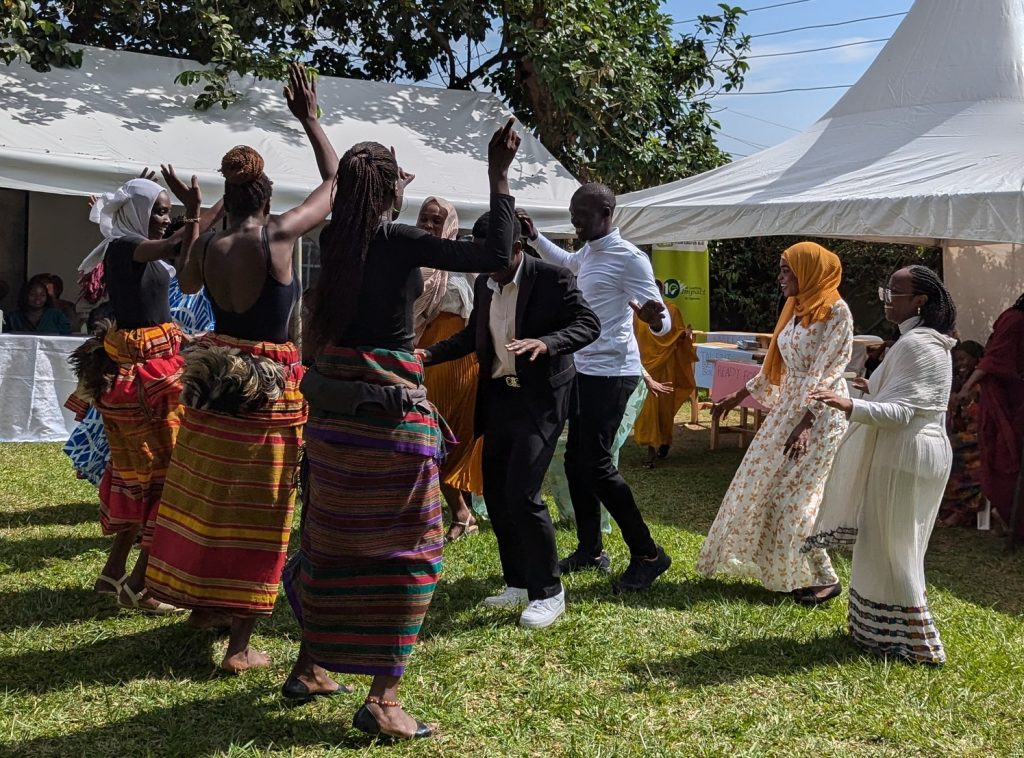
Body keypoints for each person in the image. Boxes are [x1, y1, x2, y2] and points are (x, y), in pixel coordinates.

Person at [282, 119, 521, 741]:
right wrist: (497, 173)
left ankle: (310, 667)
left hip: (336, 419)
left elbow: (339, 187)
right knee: (408, 553)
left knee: (330, 538)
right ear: (390, 192)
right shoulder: (395, 240)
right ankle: (384, 701)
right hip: (390, 420)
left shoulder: (336, 239)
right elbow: (495, 256)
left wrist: (335, 146)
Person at [145, 64, 337, 673]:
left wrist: (195, 211)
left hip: (212, 385)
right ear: (267, 196)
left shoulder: (206, 244)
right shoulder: (276, 238)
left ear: (228, 195)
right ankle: (240, 646)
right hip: (267, 388)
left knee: (208, 495)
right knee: (262, 506)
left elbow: (189, 281)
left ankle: (203, 605)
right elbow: (335, 180)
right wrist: (310, 118)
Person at [423, 212, 600, 628]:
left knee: (522, 493)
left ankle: (549, 592)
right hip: (499, 396)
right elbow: (473, 337)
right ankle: (518, 582)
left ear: (517, 248)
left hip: (542, 400)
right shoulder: (485, 285)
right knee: (498, 493)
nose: (485, 264)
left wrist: (548, 342)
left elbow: (589, 323)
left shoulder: (553, 278)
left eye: (493, 255)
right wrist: (428, 354)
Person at [64, 169, 223, 613]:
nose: (163, 219)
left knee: (142, 478)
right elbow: (177, 242)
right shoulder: (122, 249)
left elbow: (181, 252)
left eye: (167, 212)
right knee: (168, 480)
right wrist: (191, 214)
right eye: (158, 211)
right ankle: (143, 586)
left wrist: (223, 202)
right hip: (145, 382)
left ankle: (113, 574)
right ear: (137, 213)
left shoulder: (143, 256)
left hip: (151, 370)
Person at [518, 188, 673, 593]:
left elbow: (662, 319)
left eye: (581, 215)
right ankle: (591, 549)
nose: (575, 222)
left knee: (596, 463)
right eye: (572, 214)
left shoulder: (629, 258)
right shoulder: (588, 251)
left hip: (612, 372)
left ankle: (648, 554)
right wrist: (535, 238)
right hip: (582, 369)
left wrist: (657, 321)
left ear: (606, 212)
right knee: (575, 462)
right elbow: (569, 262)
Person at [805, 266, 957, 665]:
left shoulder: (918, 344)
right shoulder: (920, 341)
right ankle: (879, 632)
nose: (887, 297)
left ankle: (920, 642)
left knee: (896, 547)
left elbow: (904, 412)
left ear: (921, 299)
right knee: (885, 542)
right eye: (886, 288)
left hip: (906, 452)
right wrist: (871, 390)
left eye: (896, 291)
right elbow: (907, 399)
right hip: (912, 451)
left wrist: (849, 404)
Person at [697, 242, 853, 604]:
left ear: (809, 271)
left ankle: (825, 577)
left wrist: (807, 421)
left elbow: (828, 370)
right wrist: (734, 398)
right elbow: (777, 368)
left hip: (821, 416)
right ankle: (794, 572)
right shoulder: (795, 308)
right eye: (781, 269)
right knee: (761, 489)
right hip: (789, 410)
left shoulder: (836, 312)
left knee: (794, 500)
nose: (781, 278)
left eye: (787, 270)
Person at [64, 215, 217, 488]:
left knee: (158, 441)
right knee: (130, 439)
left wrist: (193, 340)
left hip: (171, 369)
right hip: (144, 368)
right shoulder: (156, 270)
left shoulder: (197, 284)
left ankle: (144, 495)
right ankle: (130, 494)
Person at [412, 196, 485, 542]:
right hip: (426, 357)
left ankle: (465, 511)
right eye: (424, 219)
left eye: (436, 221)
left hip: (465, 360)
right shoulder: (410, 260)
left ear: (451, 225)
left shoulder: (464, 263)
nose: (428, 226)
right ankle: (459, 511)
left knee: (463, 435)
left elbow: (482, 309)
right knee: (432, 436)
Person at [954, 294, 1024, 543]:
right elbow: (993, 360)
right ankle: (1005, 517)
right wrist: (967, 388)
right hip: (1007, 403)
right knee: (1005, 459)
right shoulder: (1014, 320)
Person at [633, 280, 697, 468]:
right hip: (646, 367)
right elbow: (633, 337)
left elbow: (677, 334)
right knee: (646, 410)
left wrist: (684, 335)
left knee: (664, 409)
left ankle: (664, 442)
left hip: (666, 367)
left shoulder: (672, 310)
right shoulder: (638, 313)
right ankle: (650, 449)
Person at [938, 341, 986, 527]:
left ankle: (961, 511)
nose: (960, 364)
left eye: (964, 359)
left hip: (981, 438)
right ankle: (949, 507)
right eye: (957, 360)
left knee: (953, 451)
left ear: (976, 359)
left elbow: (978, 420)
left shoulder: (981, 386)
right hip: (965, 435)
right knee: (943, 448)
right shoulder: (960, 383)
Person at [2, 279, 72, 334]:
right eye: (32, 295)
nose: (38, 299)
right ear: (25, 295)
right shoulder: (12, 317)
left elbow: (67, 337)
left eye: (42, 295)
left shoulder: (57, 316)